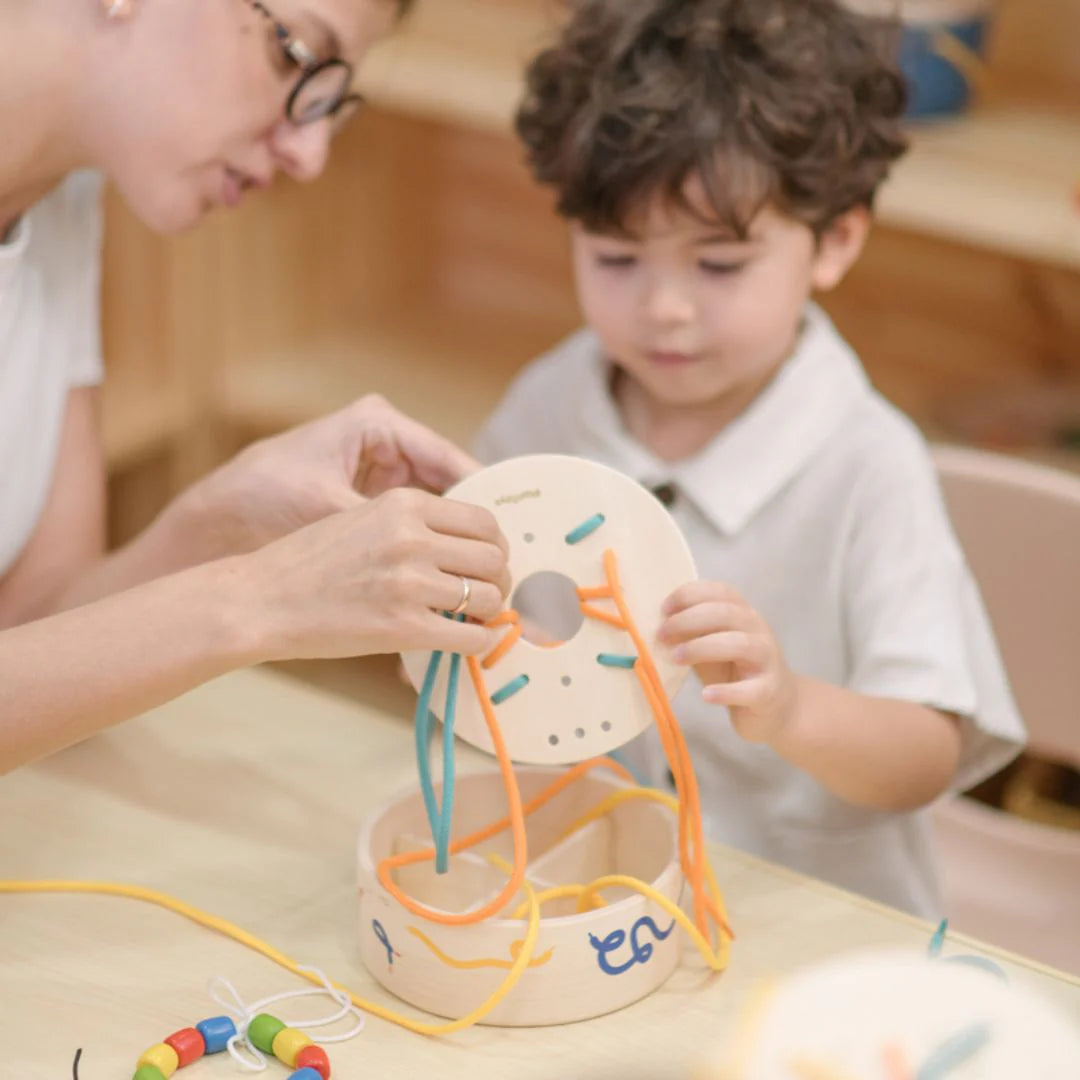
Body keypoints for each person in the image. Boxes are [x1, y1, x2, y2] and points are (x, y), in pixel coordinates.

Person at [475, 0, 1024, 916]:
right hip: (602, 900)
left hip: (817, 926)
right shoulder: (550, 400)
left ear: (834, 241)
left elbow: (927, 757)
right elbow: (495, 621)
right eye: (615, 258)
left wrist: (791, 710)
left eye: (720, 265)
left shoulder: (869, 465)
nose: (664, 309)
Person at [0, 0, 510, 776]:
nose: (309, 155)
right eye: (294, 54)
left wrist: (221, 521)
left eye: (330, 104)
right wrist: (259, 600)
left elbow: (34, 633)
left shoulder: (63, 200)